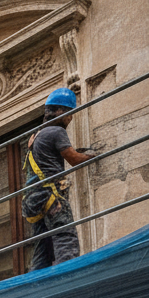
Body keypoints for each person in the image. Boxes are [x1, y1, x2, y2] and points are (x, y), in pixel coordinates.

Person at [22, 87, 97, 270]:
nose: (70, 119)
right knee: (65, 237)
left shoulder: (35, 136)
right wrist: (94, 156)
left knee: (43, 246)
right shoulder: (57, 131)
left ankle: (38, 283)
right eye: (70, 114)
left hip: (33, 199)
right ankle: (67, 277)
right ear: (61, 111)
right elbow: (73, 159)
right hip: (51, 195)